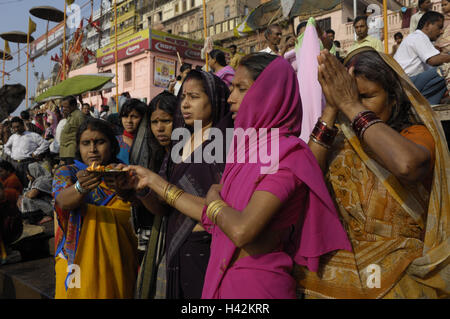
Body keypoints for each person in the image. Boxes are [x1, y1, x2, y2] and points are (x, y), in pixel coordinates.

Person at [125, 54, 351, 299]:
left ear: (270, 94)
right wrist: (151, 180)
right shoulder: (246, 149)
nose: (230, 98)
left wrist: (214, 202)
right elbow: (214, 215)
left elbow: (242, 229)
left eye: (240, 89)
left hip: (257, 286)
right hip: (220, 278)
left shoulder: (288, 154)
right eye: (231, 88)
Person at [299, 47, 449, 298]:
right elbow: (305, 179)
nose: (355, 106)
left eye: (366, 97)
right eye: (351, 96)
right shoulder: (339, 141)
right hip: (343, 276)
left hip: (401, 277)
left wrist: (350, 103)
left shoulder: (413, 136)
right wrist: (332, 107)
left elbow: (407, 165)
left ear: (393, 98)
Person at [119, 70, 233, 299]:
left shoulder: (228, 143)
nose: (186, 104)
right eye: (183, 97)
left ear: (214, 98)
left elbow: (225, 208)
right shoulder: (180, 144)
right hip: (177, 245)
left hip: (208, 247)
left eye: (195, 97)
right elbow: (163, 207)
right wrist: (142, 189)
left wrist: (156, 182)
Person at [53, 118, 138, 299]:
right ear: (78, 147)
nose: (92, 149)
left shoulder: (123, 173)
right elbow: (62, 201)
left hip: (117, 257)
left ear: (112, 144)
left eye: (99, 142)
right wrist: (80, 188)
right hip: (76, 261)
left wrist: (123, 189)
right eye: (86, 143)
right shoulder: (67, 172)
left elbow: (137, 209)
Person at [129, 91, 177, 298]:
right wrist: (139, 190)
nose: (159, 128)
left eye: (166, 120)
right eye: (154, 122)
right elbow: (160, 208)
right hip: (161, 230)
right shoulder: (158, 156)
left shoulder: (191, 157)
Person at [394, 11, 449, 105]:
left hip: (406, 84)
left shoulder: (420, 38)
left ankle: (431, 104)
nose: (441, 31)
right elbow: (433, 60)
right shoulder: (419, 37)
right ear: (427, 25)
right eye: (439, 27)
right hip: (406, 84)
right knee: (446, 69)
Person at [3, 117, 50, 186]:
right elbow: (6, 147)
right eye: (14, 128)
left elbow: (45, 143)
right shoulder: (13, 137)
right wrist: (11, 154)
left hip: (28, 164)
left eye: (18, 127)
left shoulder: (32, 135)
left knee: (30, 184)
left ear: (22, 125)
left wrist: (36, 152)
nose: (16, 129)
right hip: (16, 165)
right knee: (19, 184)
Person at [116, 98, 147, 165]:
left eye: (134, 117)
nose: (129, 121)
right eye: (125, 116)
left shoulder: (150, 143)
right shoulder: (114, 142)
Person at [59, 96, 86, 165]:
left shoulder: (78, 116)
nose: (64, 109)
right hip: (65, 151)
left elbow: (83, 132)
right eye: (63, 107)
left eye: (66, 107)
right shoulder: (70, 115)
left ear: (73, 105)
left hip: (72, 152)